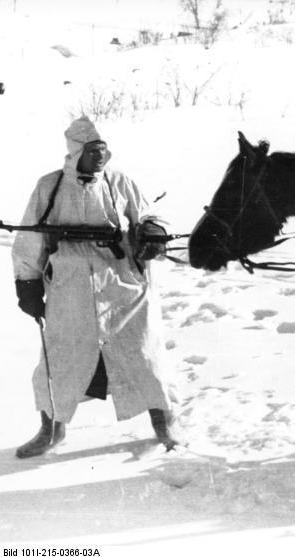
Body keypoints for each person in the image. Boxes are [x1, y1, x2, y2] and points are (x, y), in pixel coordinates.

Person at [11, 116, 179, 458]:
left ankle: (165, 422)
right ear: (75, 154)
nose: (100, 157)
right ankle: (51, 430)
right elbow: (29, 237)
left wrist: (153, 232)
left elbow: (150, 214)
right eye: (92, 150)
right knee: (59, 361)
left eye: (103, 149)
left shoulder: (120, 182)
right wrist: (27, 284)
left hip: (123, 286)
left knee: (145, 355)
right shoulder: (50, 187)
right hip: (68, 291)